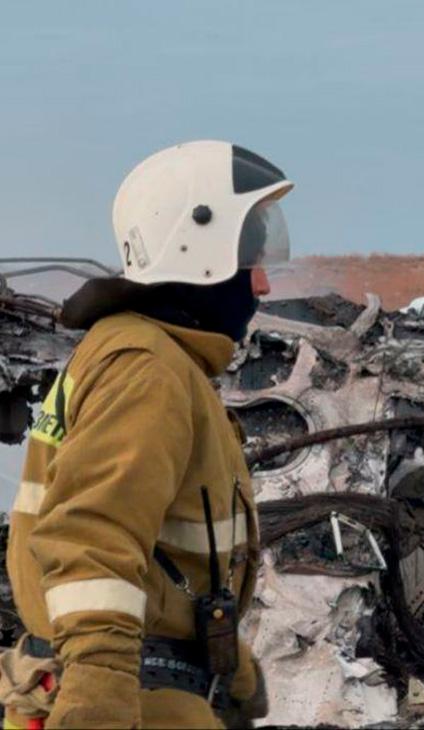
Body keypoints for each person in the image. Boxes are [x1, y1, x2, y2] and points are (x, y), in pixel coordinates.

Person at [2, 141, 292, 728]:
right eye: (250, 261)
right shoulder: (148, 369)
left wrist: (229, 665)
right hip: (135, 700)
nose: (262, 285)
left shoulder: (149, 357)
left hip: (153, 686)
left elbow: (167, 557)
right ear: (199, 252)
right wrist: (98, 694)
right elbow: (93, 534)